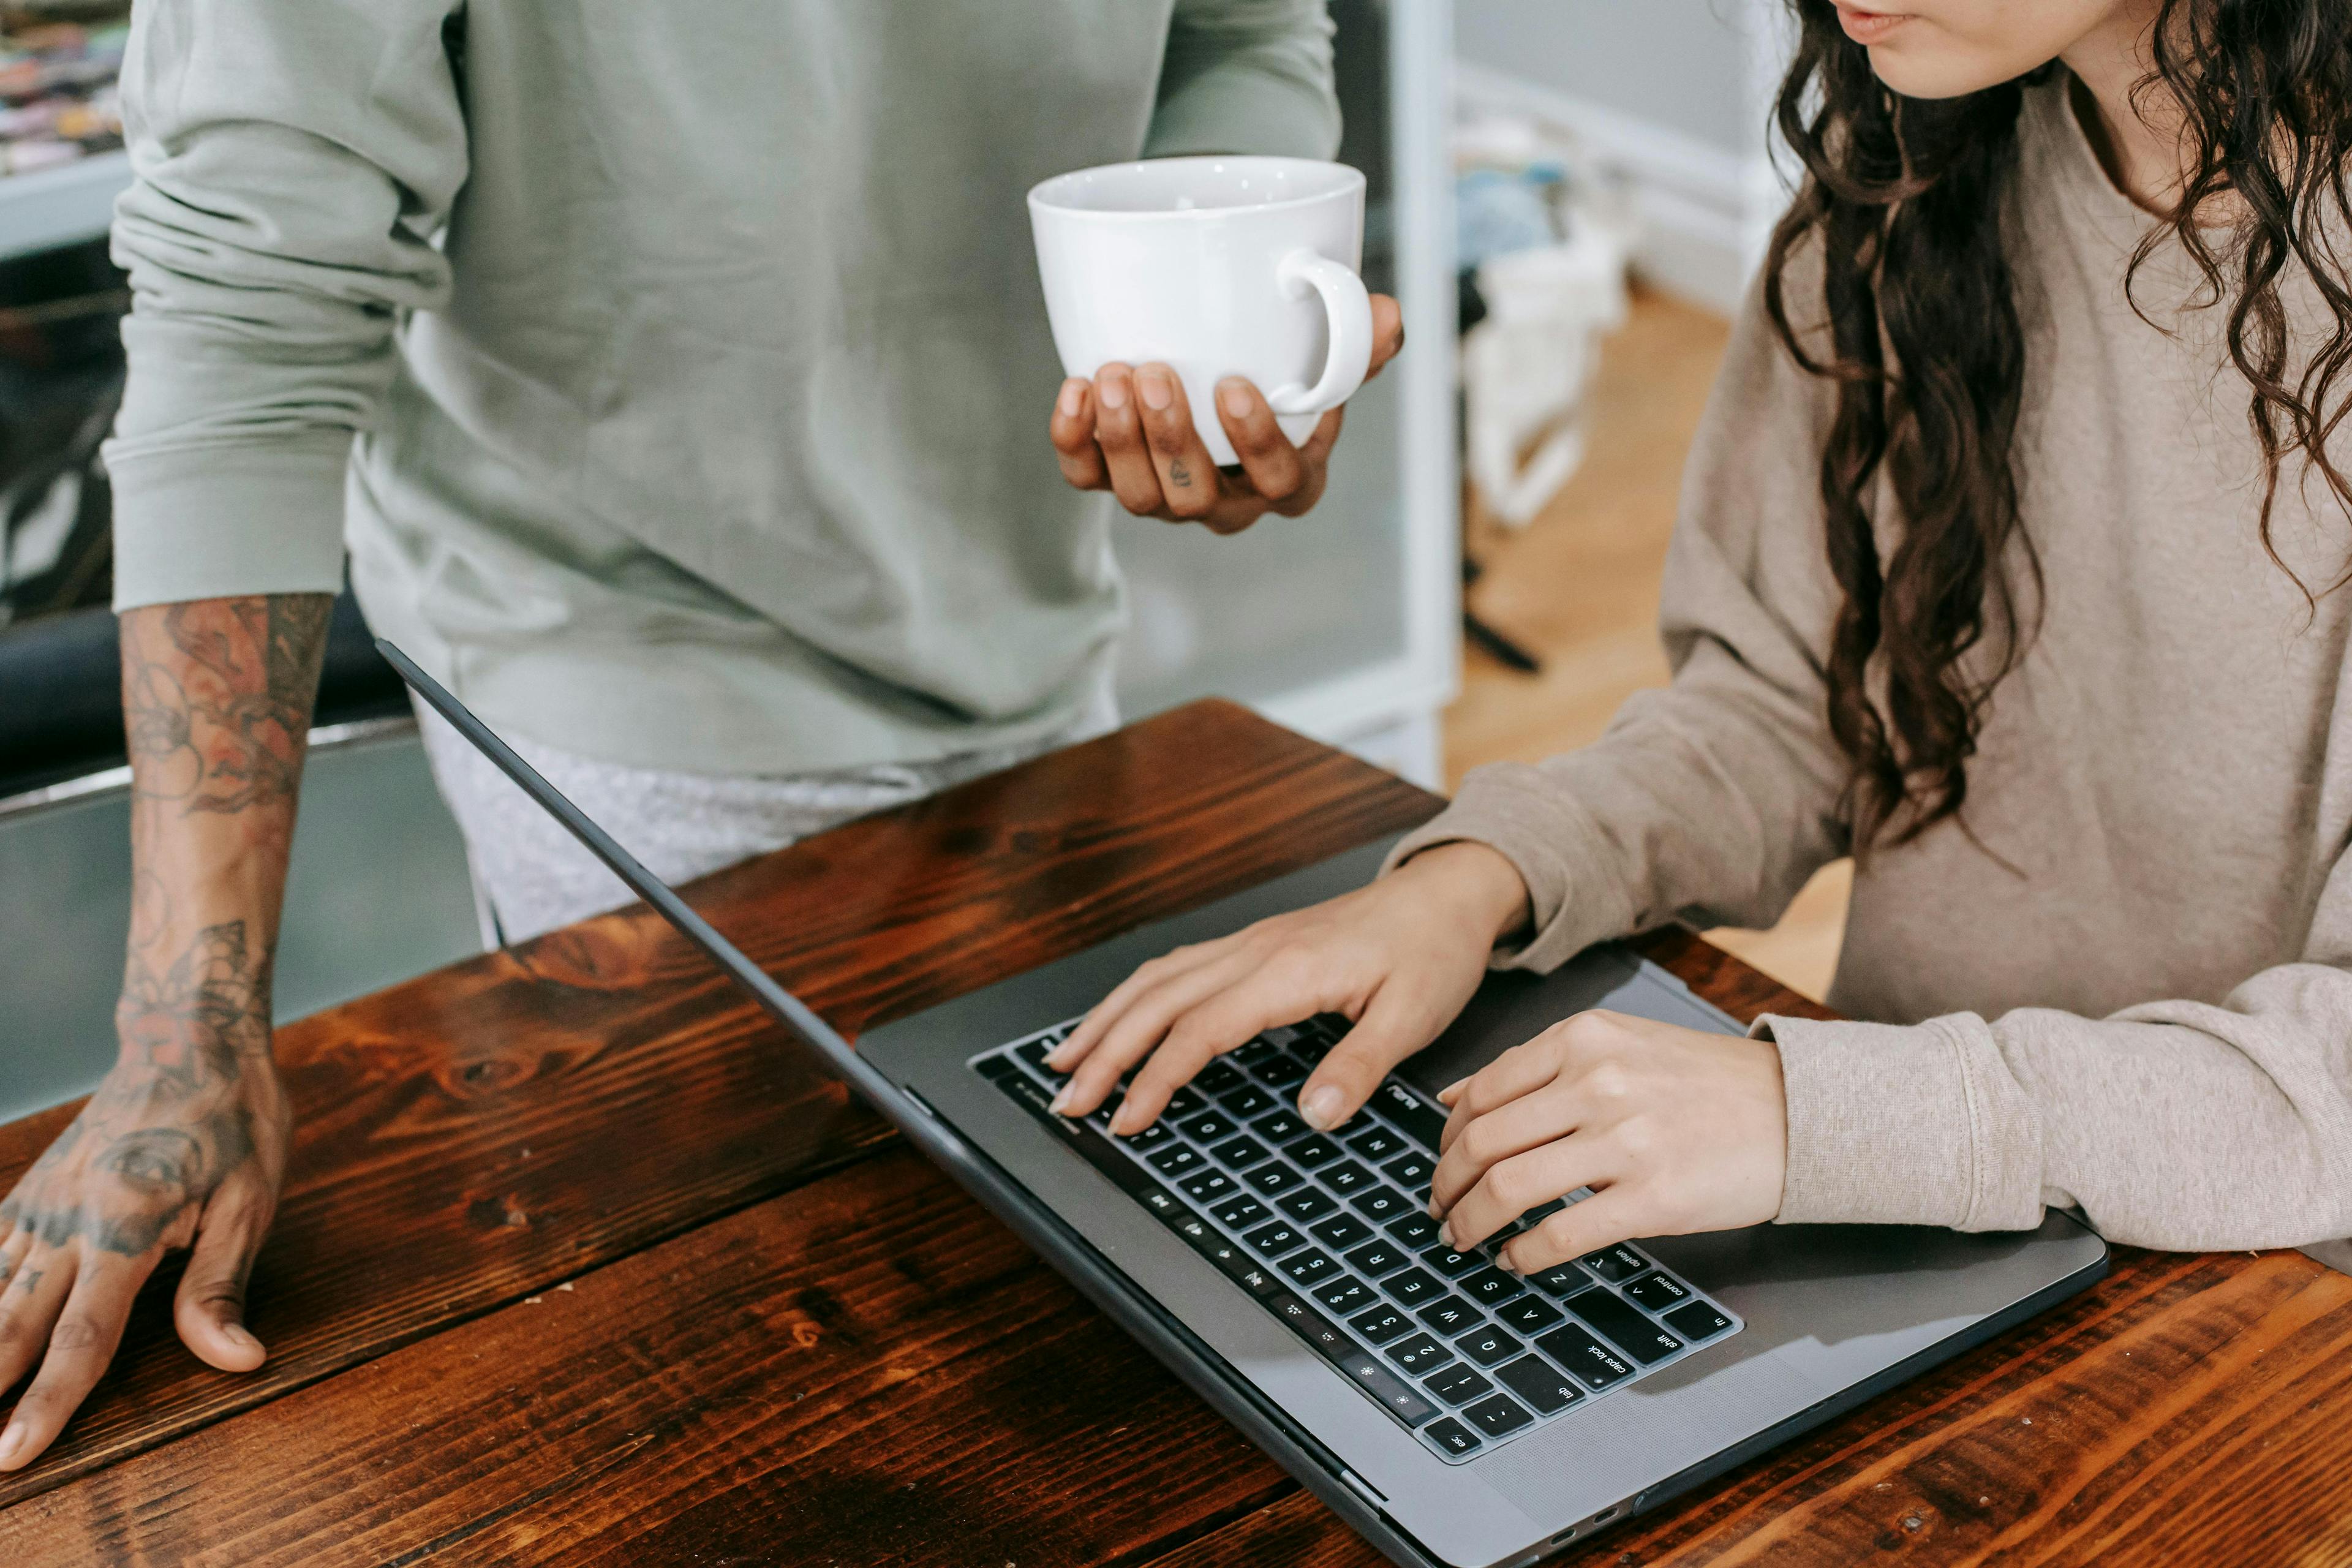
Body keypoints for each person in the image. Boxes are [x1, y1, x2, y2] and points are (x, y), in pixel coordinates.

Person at [0, 2, 1403, 1471]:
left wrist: (1203, 330)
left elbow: (1243, 31)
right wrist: (183, 1025)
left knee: (1089, 1388)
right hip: (625, 688)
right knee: (778, 1416)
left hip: (1029, 627)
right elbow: (249, 324)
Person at [1057, 0, 2352, 1278]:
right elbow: (1793, 708)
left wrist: (1817, 1116)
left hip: (2263, 1308)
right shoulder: (1917, 178)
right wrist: (1481, 877)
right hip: (1903, 1229)